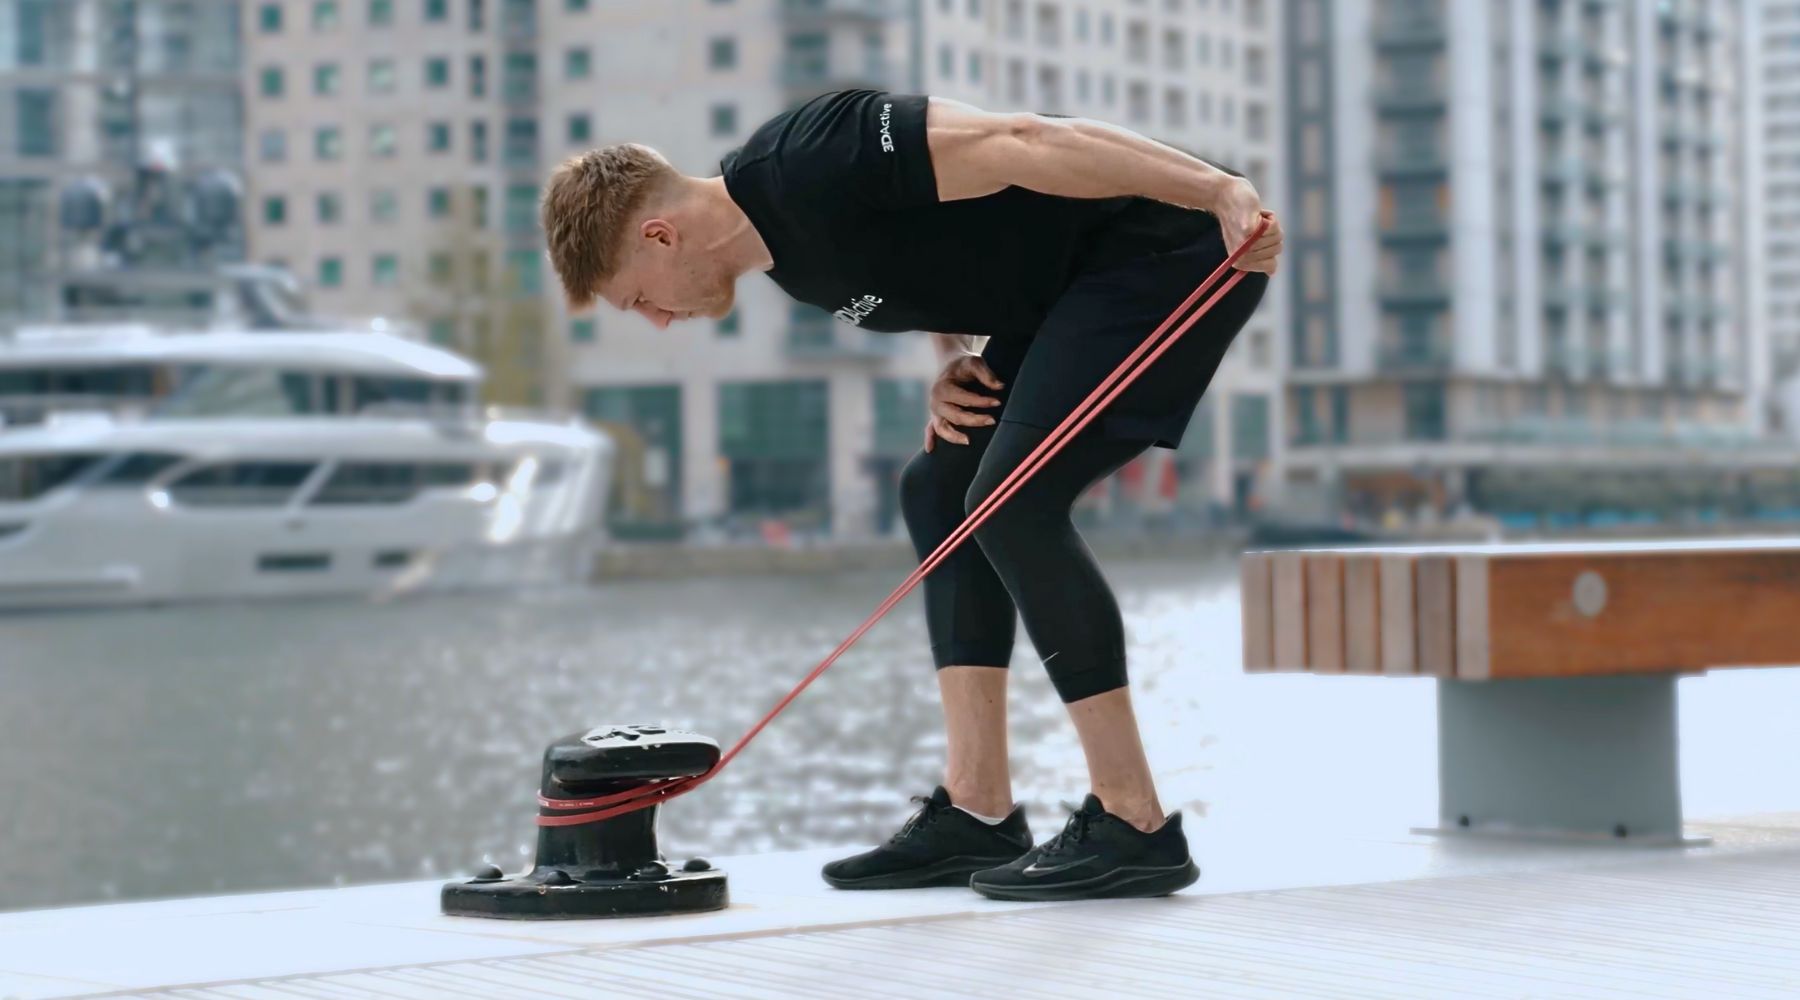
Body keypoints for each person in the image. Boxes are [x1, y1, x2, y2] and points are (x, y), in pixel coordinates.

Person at [540, 89, 1283, 901]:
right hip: (1069, 292)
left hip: (1175, 246)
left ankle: (1134, 822)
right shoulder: (794, 269)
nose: (656, 320)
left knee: (1013, 498)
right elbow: (945, 260)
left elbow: (1024, 136)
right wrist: (953, 357)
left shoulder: (815, 158)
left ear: (658, 235)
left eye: (637, 298)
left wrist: (1216, 190)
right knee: (941, 486)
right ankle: (978, 810)